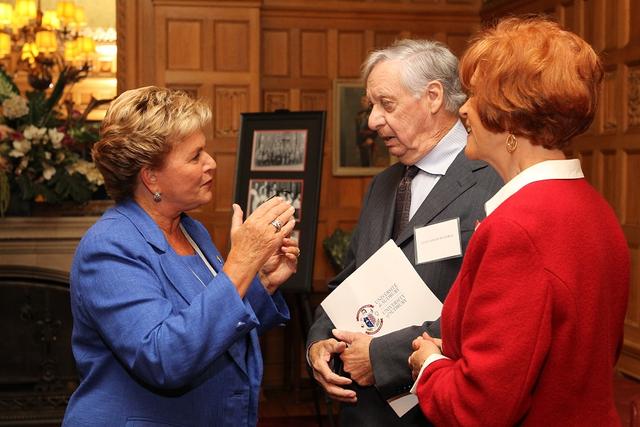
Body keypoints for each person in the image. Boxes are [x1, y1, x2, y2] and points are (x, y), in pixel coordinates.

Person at [408, 16, 629, 425]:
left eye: (475, 96)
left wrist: (430, 365)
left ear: (509, 119)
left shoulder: (518, 228)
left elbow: (479, 410)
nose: (464, 109)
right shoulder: (594, 208)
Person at [62, 86, 300, 426]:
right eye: (195, 156)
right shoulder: (109, 246)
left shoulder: (192, 230)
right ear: (151, 176)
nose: (211, 163)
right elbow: (163, 358)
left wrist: (260, 281)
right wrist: (242, 262)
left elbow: (215, 328)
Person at [307, 40, 503, 426]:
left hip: (441, 410)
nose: (372, 121)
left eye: (387, 104)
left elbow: (490, 315)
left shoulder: (493, 182)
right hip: (363, 410)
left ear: (433, 96)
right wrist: (318, 340)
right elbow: (349, 280)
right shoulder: (382, 185)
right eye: (371, 107)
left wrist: (381, 356)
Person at [355, 95, 377, 166]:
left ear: (369, 102)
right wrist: (358, 143)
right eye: (362, 101)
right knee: (362, 161)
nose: (362, 102)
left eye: (364, 101)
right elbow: (357, 130)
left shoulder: (374, 113)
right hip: (361, 141)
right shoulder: (359, 114)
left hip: (371, 141)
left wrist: (372, 138)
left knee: (371, 161)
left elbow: (377, 128)